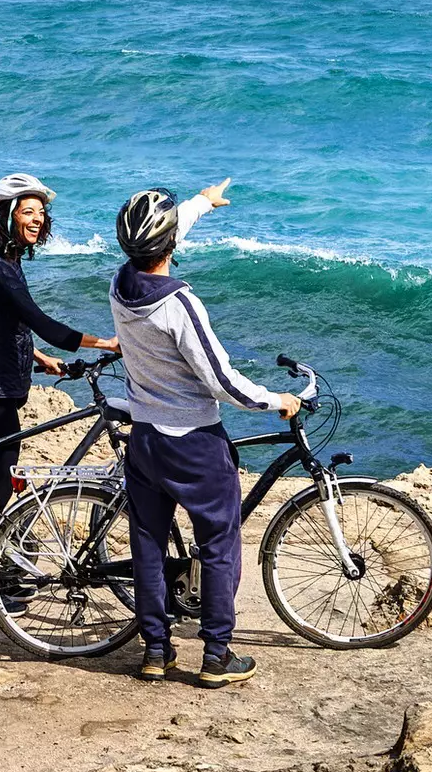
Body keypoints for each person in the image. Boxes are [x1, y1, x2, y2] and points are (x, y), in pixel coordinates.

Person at [108, 179, 299, 686]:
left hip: (145, 437)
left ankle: (155, 650)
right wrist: (275, 399)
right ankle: (216, 653)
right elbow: (221, 380)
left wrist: (200, 204)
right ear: (169, 245)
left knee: (148, 542)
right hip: (192, 442)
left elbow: (160, 241)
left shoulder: (120, 285)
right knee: (218, 542)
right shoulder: (180, 303)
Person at [0, 173, 119, 615]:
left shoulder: (3, 259)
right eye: (27, 211)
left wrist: (39, 359)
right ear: (9, 215)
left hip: (1, 381)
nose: (37, 219)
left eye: (40, 212)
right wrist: (104, 342)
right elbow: (37, 318)